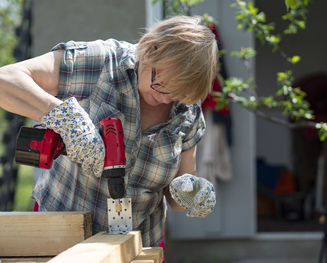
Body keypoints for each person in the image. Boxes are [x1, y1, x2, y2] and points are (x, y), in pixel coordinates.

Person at [0, 15, 218, 247]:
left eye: (177, 93)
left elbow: (176, 195)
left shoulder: (186, 110)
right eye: (162, 84)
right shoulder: (101, 62)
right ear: (151, 49)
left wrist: (190, 192)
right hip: (59, 237)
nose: (165, 99)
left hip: (138, 246)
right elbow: (6, 79)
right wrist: (68, 120)